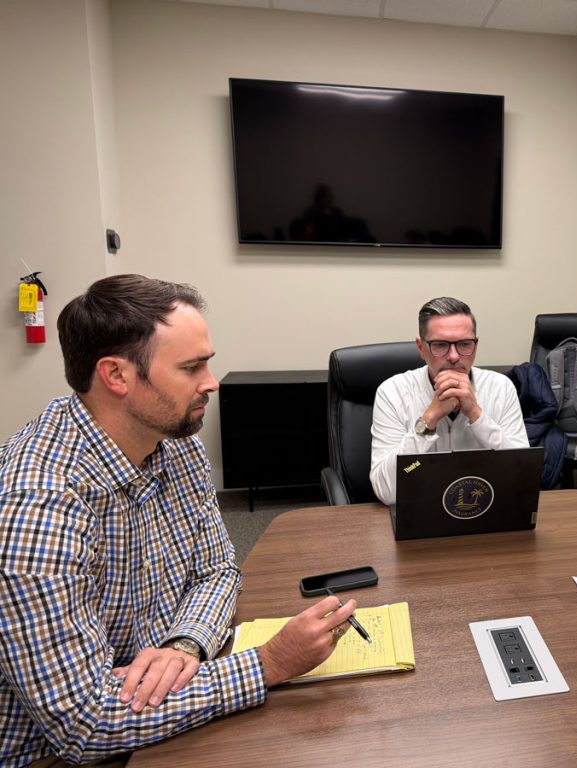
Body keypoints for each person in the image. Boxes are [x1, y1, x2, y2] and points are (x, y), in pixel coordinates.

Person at [0, 275, 357, 768]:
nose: (211, 382)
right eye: (192, 367)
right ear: (116, 376)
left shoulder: (175, 441)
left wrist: (185, 643)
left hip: (153, 701)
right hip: (57, 754)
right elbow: (82, 723)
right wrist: (268, 664)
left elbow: (217, 569)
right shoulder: (38, 506)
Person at [370, 297, 528, 505]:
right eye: (441, 345)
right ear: (421, 347)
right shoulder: (393, 392)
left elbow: (523, 476)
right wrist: (428, 420)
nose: (454, 356)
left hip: (485, 510)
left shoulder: (501, 388)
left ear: (476, 344)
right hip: (418, 513)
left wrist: (477, 415)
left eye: (464, 344)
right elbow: (387, 490)